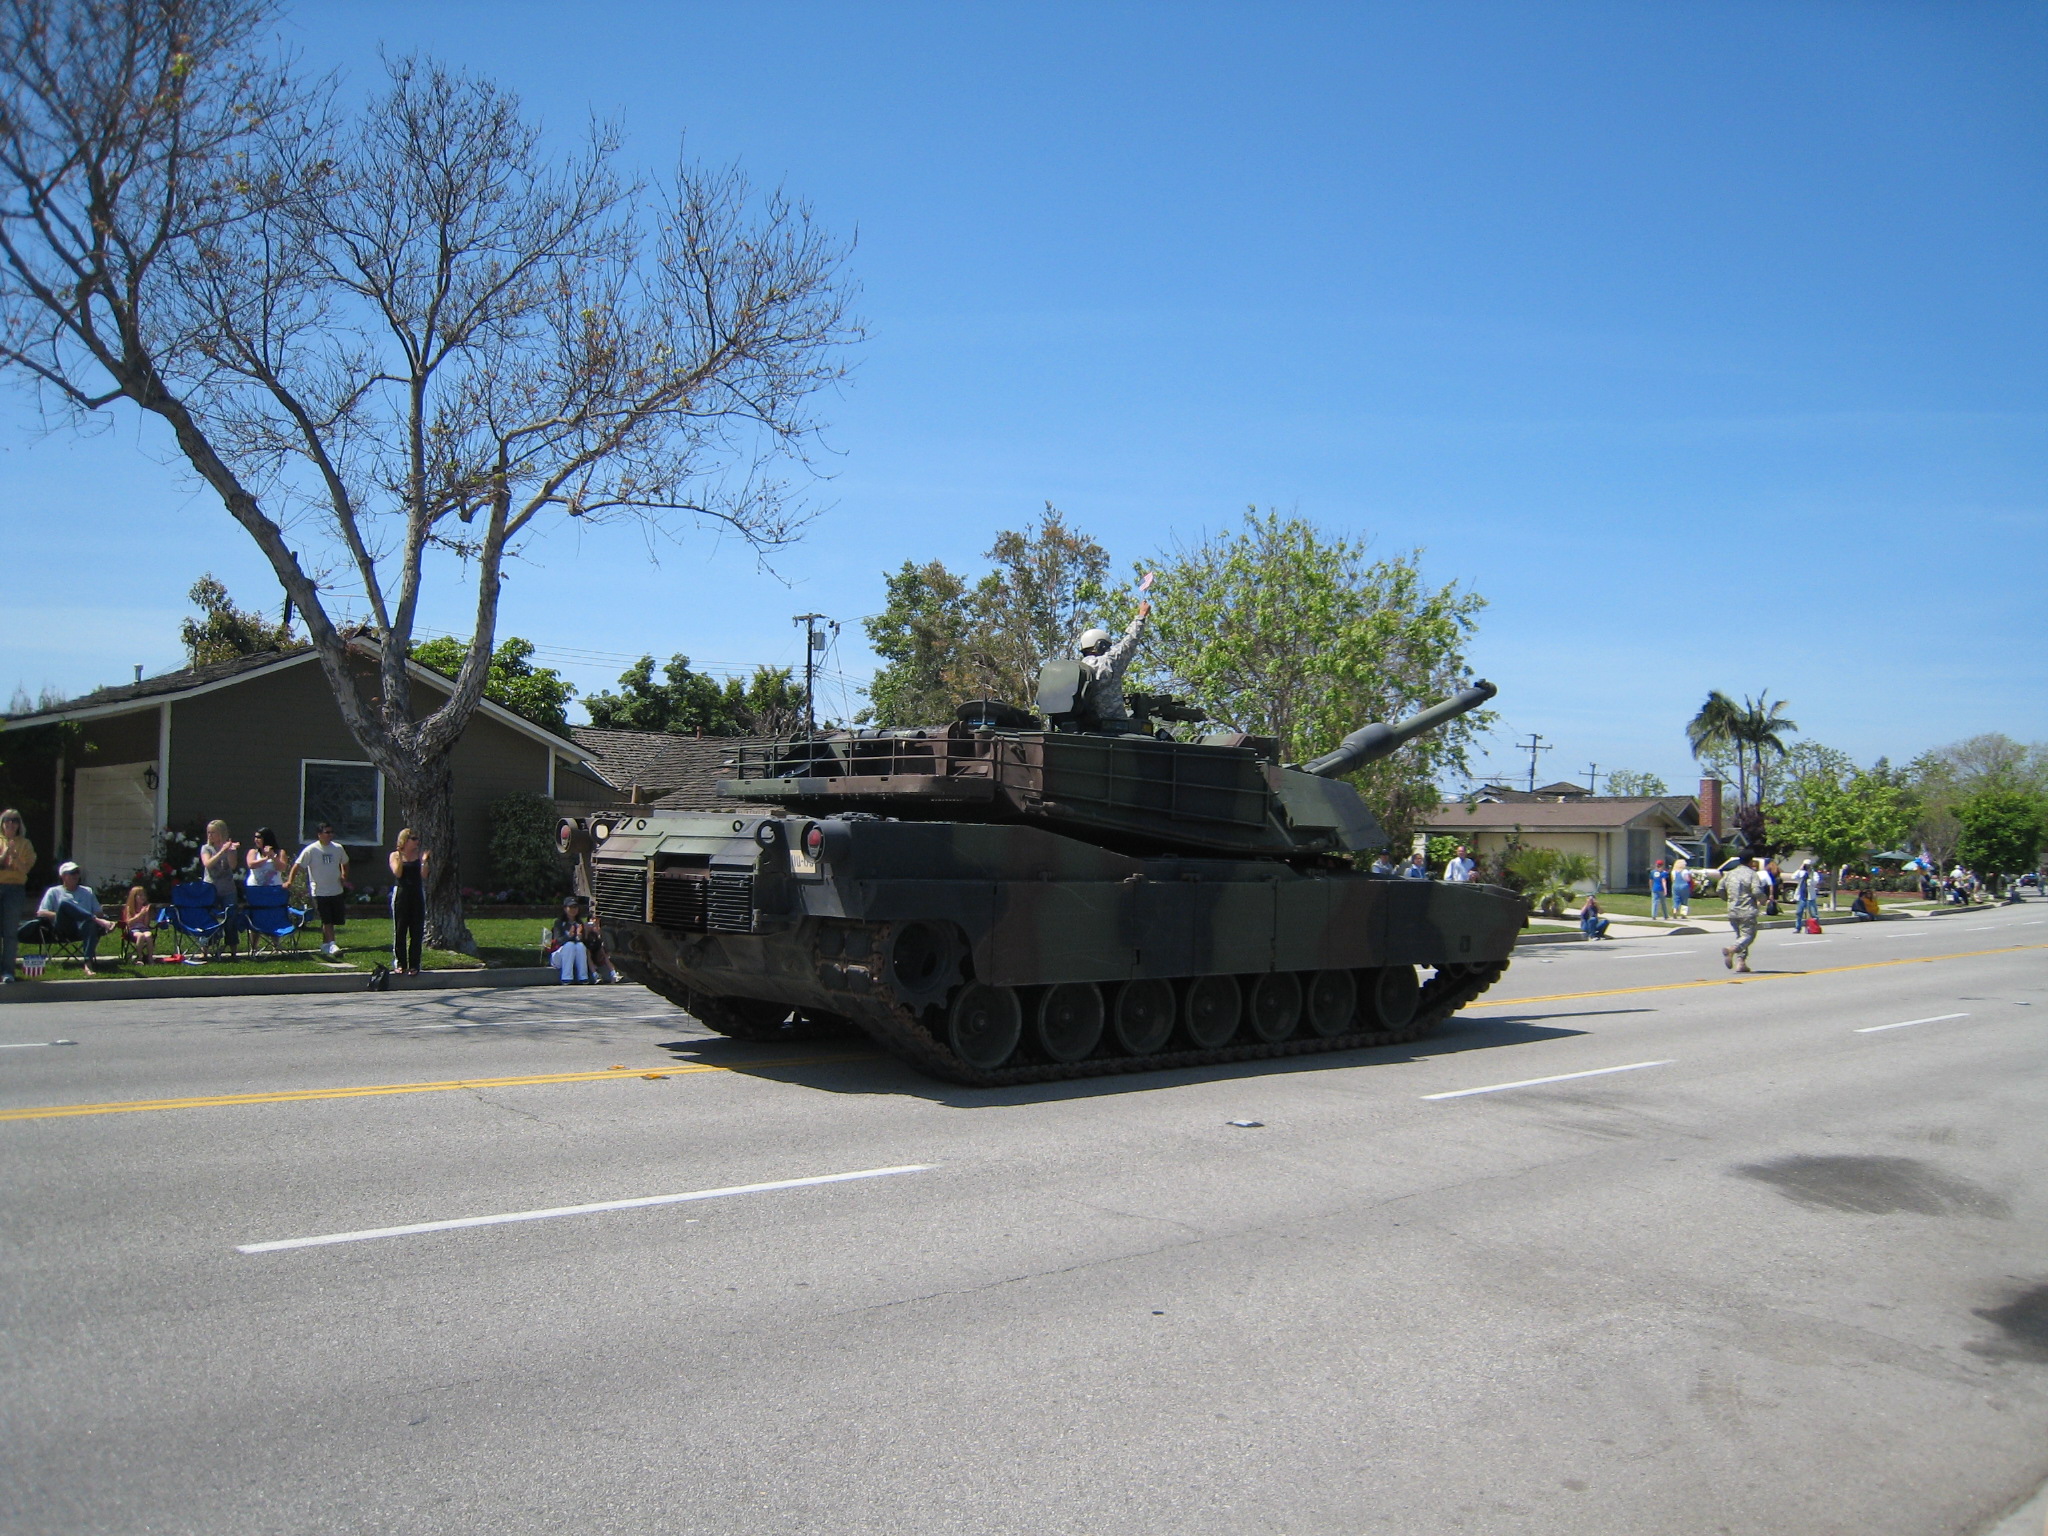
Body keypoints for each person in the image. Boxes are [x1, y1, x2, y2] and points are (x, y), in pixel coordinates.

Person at [1076, 573, 1154, 728]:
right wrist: (1141, 616)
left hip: (1083, 726)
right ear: (1101, 646)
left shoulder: (1077, 670)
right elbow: (1128, 643)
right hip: (1113, 727)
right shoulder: (1107, 663)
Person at [36, 862, 117, 974]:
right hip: (64, 928)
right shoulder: (54, 892)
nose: (75, 875)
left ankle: (88, 964)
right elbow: (41, 913)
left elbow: (98, 911)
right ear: (63, 876)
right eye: (72, 873)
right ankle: (95, 920)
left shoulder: (87, 891)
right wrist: (63, 914)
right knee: (65, 904)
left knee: (90, 924)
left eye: (77, 872)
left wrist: (90, 916)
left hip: (84, 927)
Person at [291, 823, 352, 958]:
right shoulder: (311, 850)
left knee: (333, 919)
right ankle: (332, 944)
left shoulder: (338, 848)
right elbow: (297, 866)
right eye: (327, 832)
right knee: (326, 919)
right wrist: (290, 881)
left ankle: (325, 945)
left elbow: (345, 863)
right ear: (319, 834)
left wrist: (344, 876)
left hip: (336, 890)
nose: (330, 835)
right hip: (319, 891)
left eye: (331, 832)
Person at [387, 828, 429, 975]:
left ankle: (415, 964)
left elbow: (424, 875)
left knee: (416, 930)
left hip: (417, 893)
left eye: (417, 839)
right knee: (400, 929)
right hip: (401, 894)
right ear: (405, 840)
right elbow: (398, 873)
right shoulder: (395, 855)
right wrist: (400, 857)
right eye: (414, 839)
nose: (417, 842)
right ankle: (400, 963)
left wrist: (423, 862)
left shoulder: (419, 856)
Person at [200, 819, 246, 953]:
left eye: (213, 833)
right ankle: (205, 949)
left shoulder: (229, 847)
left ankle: (233, 950)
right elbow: (207, 864)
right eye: (208, 833)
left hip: (228, 889)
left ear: (221, 833)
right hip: (211, 889)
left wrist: (231, 851)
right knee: (209, 917)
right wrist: (221, 852)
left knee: (230, 918)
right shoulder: (206, 848)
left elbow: (232, 866)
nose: (210, 835)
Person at [0, 807, 33, 984]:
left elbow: (25, 869)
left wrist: (14, 854)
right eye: (7, 820)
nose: (11, 824)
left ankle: (8, 971)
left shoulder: (25, 844)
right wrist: (5, 852)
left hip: (15, 889)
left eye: (14, 820)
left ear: (19, 824)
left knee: (10, 932)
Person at [1720, 854, 1767, 973]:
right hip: (1747, 910)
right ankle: (1732, 949)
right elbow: (1756, 890)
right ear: (1751, 862)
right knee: (1748, 936)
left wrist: (1728, 899)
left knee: (1740, 937)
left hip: (1732, 910)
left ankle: (1741, 962)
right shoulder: (1752, 874)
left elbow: (1720, 889)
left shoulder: (1729, 874)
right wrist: (1763, 899)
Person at [546, 895, 593, 983]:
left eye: (575, 907)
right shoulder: (559, 923)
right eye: (570, 907)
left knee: (580, 946)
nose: (573, 910)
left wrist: (579, 936)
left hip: (573, 956)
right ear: (565, 909)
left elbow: (582, 942)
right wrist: (570, 936)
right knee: (569, 945)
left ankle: (583, 977)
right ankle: (566, 977)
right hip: (558, 956)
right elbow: (558, 940)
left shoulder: (579, 923)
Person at [120, 883, 155, 962]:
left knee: (149, 936)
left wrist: (146, 914)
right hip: (133, 929)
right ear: (134, 897)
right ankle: (139, 957)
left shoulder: (144, 908)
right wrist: (140, 914)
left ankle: (150, 957)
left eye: (144, 895)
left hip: (143, 928)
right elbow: (129, 923)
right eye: (140, 895)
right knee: (141, 936)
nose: (143, 897)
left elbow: (146, 924)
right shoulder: (129, 908)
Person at [1792, 860, 1822, 931]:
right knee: (1799, 913)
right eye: (1805, 865)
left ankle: (1815, 927)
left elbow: (1815, 882)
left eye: (1808, 865)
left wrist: (1810, 876)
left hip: (1810, 897)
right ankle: (1798, 928)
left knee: (1814, 914)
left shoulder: (1814, 874)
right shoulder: (1801, 873)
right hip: (1801, 896)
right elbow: (1793, 877)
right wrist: (1800, 869)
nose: (1806, 867)